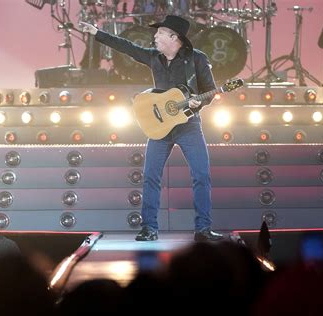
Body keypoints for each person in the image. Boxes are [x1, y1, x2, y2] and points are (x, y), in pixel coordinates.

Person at [80, 15, 224, 242]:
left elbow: (210, 90)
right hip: (161, 126)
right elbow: (125, 47)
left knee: (201, 175)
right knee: (150, 177)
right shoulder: (153, 57)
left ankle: (203, 230)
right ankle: (149, 228)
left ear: (174, 37)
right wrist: (96, 33)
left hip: (189, 125)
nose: (155, 36)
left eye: (159, 33)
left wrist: (200, 101)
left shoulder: (196, 59)